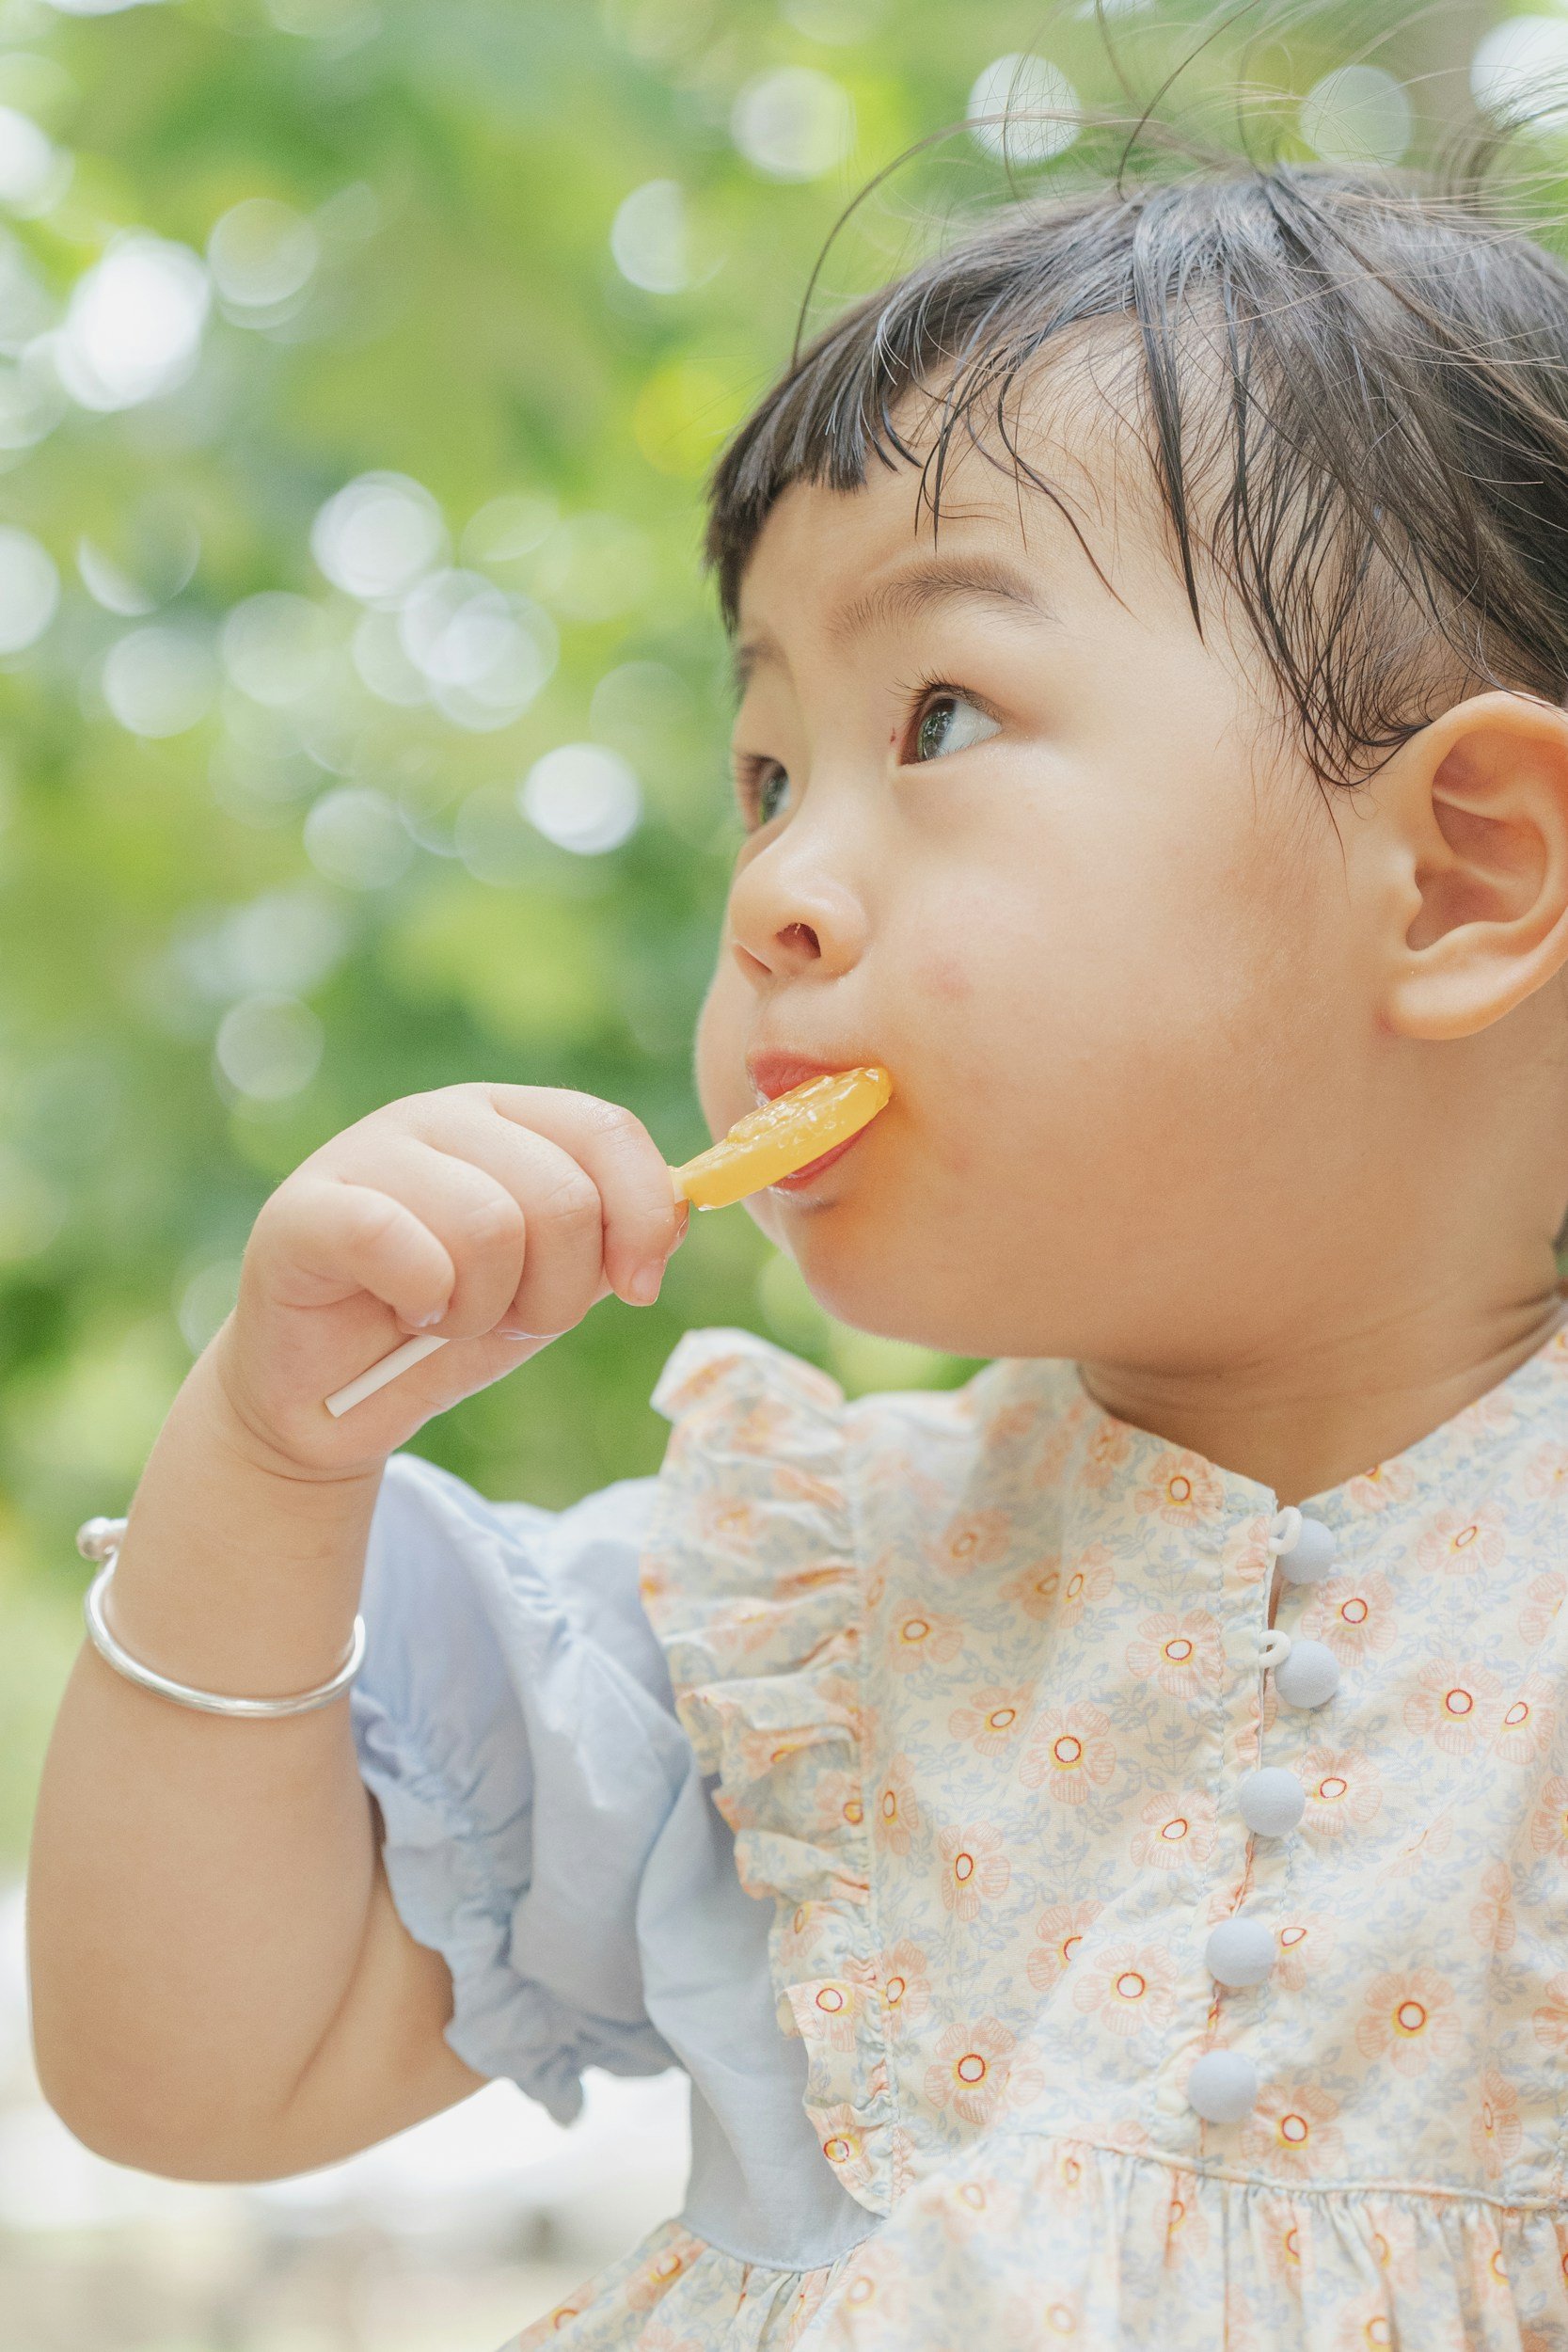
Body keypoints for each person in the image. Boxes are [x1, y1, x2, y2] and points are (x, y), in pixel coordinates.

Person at [24, 153, 1568, 2350]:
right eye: (765, 775)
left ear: (1463, 872)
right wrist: (267, 1467)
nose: (772, 893)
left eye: (940, 718)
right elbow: (191, 2068)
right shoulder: (785, 1616)